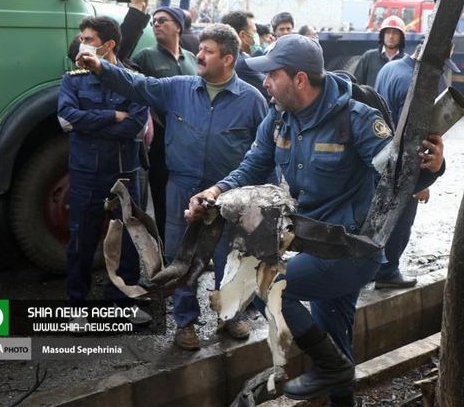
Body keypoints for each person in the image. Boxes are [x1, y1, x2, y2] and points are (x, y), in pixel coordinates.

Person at [184, 34, 445, 404]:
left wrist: (433, 167)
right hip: (310, 245)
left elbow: (398, 177)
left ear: (300, 80)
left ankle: (330, 367)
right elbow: (254, 163)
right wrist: (214, 192)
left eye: (272, 75)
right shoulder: (279, 118)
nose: (265, 83)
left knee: (264, 287)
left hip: (351, 251)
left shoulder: (357, 119)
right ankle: (337, 382)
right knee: (335, 340)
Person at [75, 23, 268, 349]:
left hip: (229, 194)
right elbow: (138, 85)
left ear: (229, 59)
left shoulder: (252, 100)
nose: (200, 56)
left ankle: (230, 314)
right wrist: (102, 67)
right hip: (183, 188)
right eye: (200, 49)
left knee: (230, 256)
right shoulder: (179, 87)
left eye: (208, 51)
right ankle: (185, 323)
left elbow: (263, 153)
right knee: (182, 259)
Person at [57, 16, 152, 325]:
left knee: (127, 239)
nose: (82, 44)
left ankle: (122, 302)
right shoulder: (73, 78)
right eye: (82, 38)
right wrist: (112, 115)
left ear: (108, 45)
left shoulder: (133, 80)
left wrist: (89, 125)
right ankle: (77, 308)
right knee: (80, 240)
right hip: (85, 173)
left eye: (89, 39)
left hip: (123, 173)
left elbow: (134, 126)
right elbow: (67, 118)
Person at [371, 47, 452, 289]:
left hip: (379, 155)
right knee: (400, 220)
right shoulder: (418, 85)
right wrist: (421, 178)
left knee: (379, 217)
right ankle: (387, 271)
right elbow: (414, 135)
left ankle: (376, 266)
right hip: (401, 163)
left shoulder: (390, 67)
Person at [131, 6, 198, 243]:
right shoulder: (145, 57)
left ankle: (192, 249)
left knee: (192, 197)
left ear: (178, 26)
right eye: (153, 22)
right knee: (161, 196)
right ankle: (164, 253)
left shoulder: (191, 57)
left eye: (162, 20)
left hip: (190, 140)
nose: (156, 25)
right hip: (160, 139)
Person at [221, 11, 269, 100]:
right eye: (254, 32)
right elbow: (270, 88)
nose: (256, 36)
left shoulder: (224, 58)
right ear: (243, 35)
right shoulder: (242, 63)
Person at [353, 15, 406, 87]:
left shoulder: (405, 62)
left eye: (395, 33)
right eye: (388, 32)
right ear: (382, 35)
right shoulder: (369, 57)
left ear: (401, 37)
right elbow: (356, 85)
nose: (391, 36)